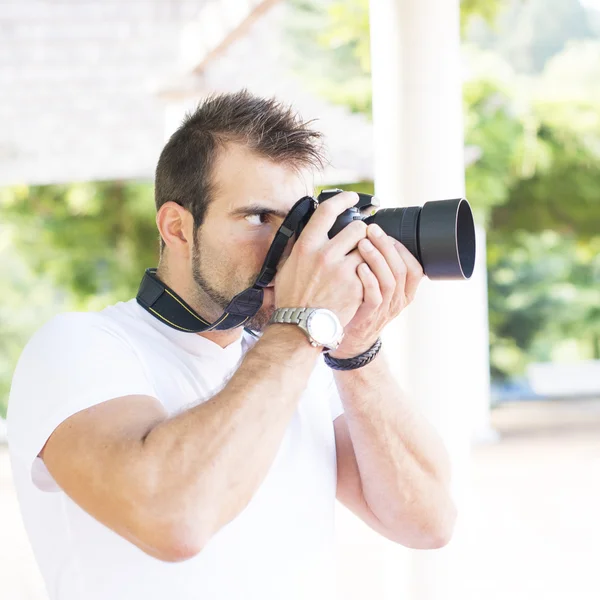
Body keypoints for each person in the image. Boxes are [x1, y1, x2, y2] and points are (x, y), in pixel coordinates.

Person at [7, 90, 456, 600]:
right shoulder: (79, 346)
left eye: (298, 221)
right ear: (177, 227)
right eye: (258, 218)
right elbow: (172, 519)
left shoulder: (303, 353)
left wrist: (356, 347)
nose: (290, 247)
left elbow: (428, 522)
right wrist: (303, 321)